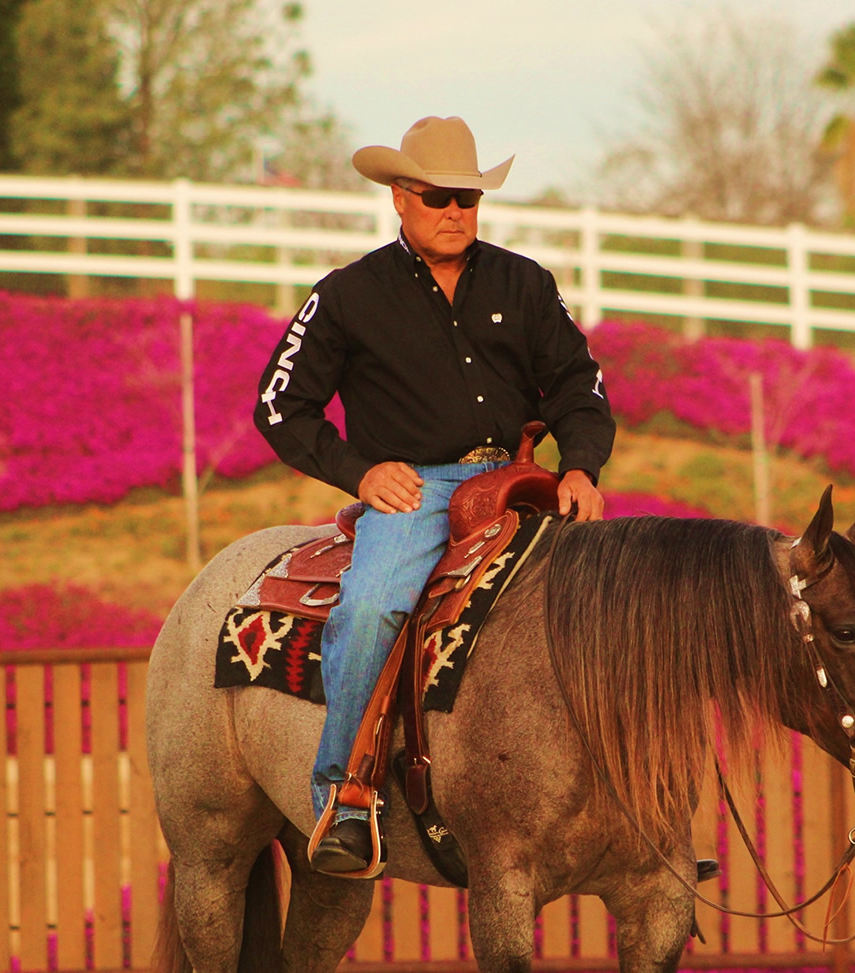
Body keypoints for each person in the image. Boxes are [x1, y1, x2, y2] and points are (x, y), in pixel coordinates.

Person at [254, 115, 615, 875]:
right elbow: (279, 402)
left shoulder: (525, 282)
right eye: (439, 196)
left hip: (523, 481)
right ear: (399, 196)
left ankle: (633, 811)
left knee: (618, 600)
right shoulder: (349, 294)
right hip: (415, 489)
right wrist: (360, 473)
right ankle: (345, 796)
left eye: (469, 198)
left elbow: (581, 384)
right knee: (373, 604)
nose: (456, 211)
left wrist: (581, 465)